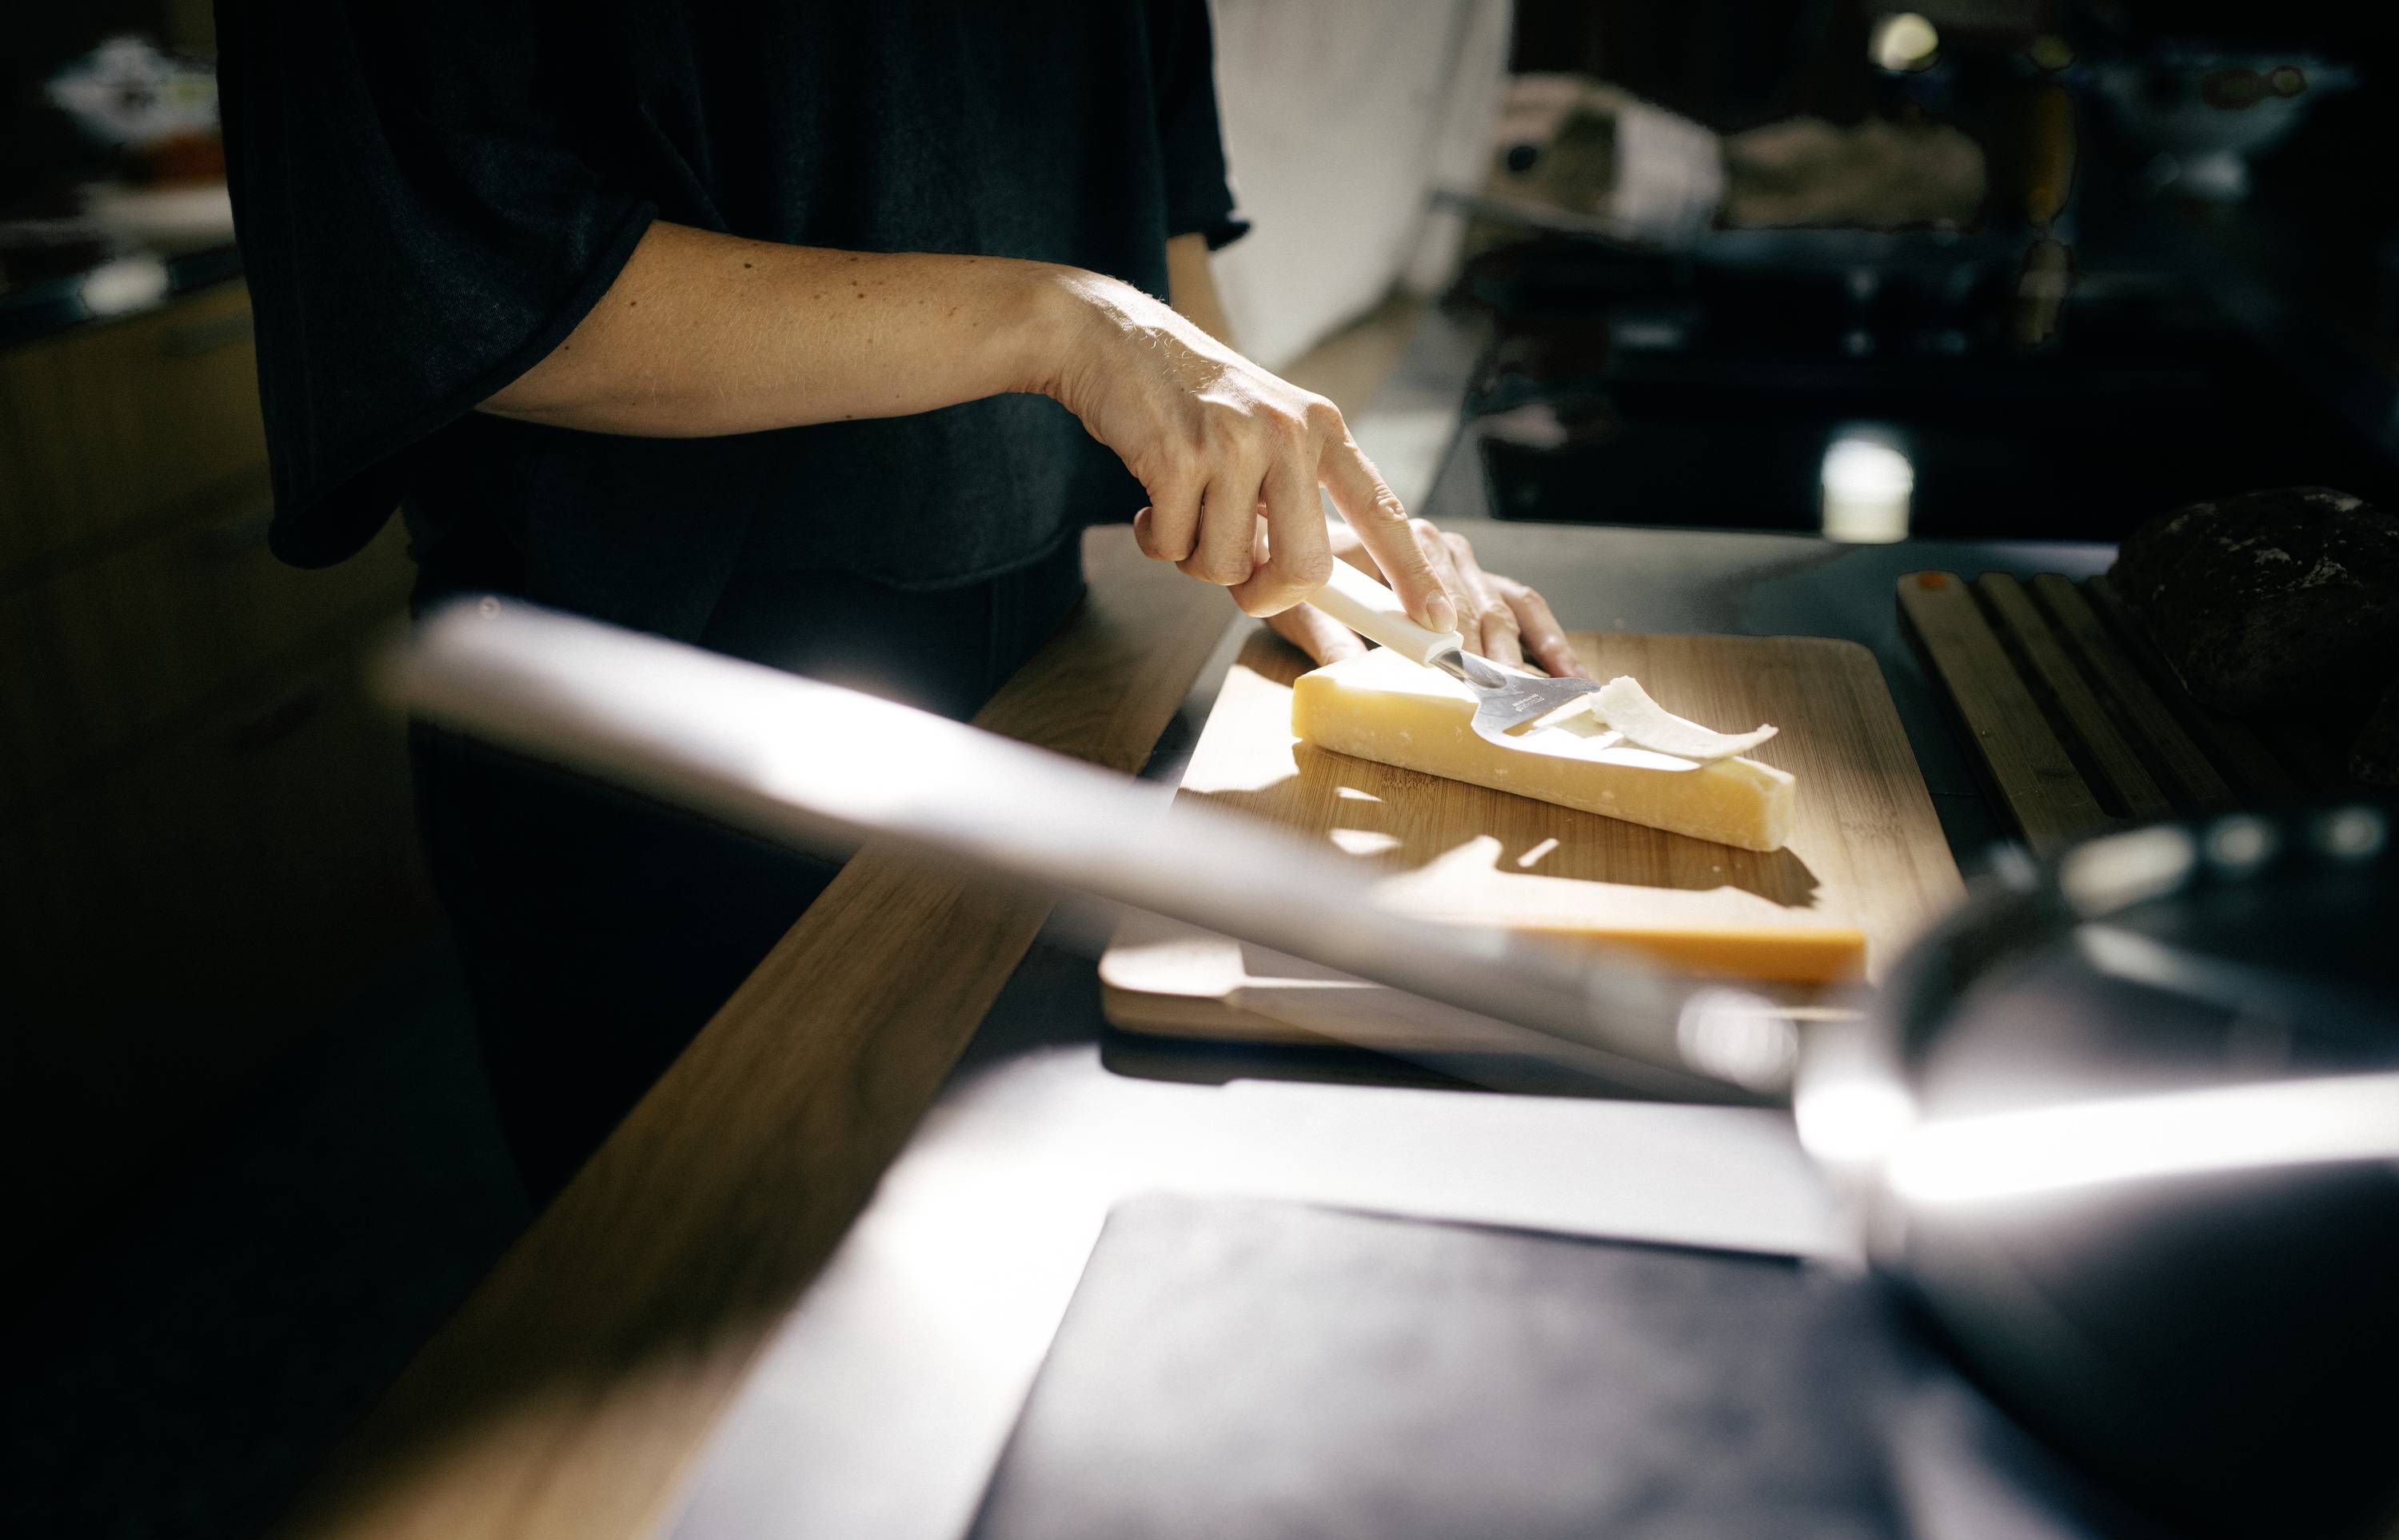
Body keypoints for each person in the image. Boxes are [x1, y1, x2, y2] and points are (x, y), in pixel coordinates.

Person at [217, 1, 1583, 1201]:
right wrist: (1062, 321)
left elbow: (1155, 211)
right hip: (657, 712)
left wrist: (1311, 525)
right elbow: (456, 278)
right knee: (707, 1339)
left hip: (1059, 666)